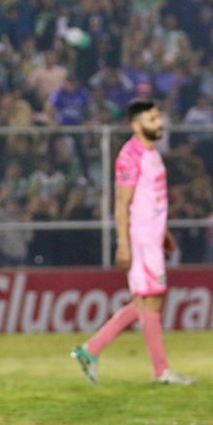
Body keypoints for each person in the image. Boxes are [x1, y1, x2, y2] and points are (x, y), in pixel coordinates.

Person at [71, 100, 194, 385]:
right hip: (140, 241)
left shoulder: (152, 153)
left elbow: (151, 200)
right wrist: (123, 243)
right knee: (149, 301)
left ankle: (91, 350)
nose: (159, 123)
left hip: (151, 238)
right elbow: (122, 203)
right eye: (152, 119)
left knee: (147, 302)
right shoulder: (130, 156)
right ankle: (159, 370)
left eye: (158, 117)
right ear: (137, 125)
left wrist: (164, 233)